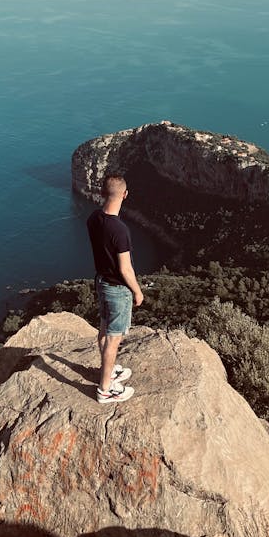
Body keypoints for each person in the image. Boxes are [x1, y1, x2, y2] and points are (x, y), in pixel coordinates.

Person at [86, 172, 144, 403]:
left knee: (103, 327)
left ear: (102, 193)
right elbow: (125, 269)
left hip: (101, 282)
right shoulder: (120, 230)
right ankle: (105, 389)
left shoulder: (93, 218)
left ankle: (108, 373)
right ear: (125, 195)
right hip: (117, 289)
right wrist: (138, 291)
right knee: (113, 338)